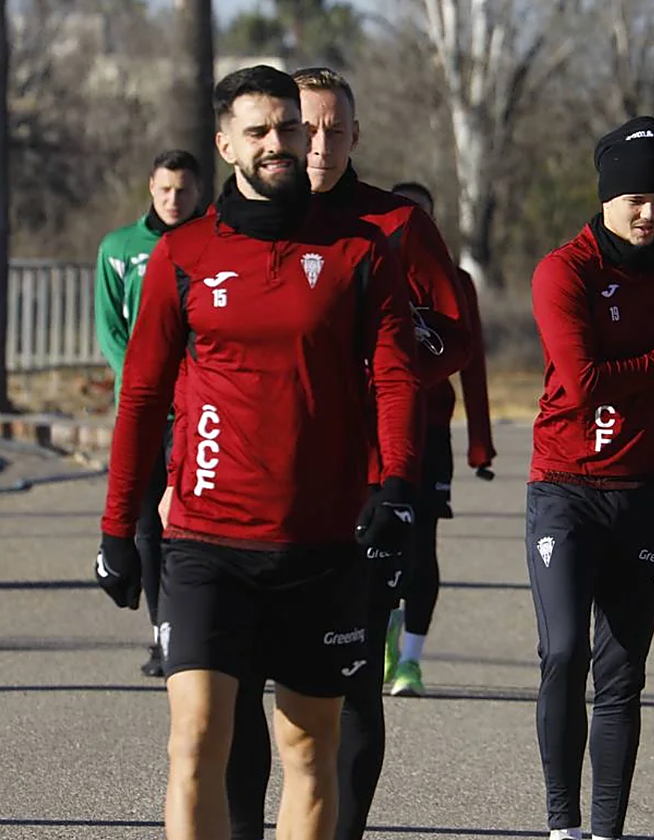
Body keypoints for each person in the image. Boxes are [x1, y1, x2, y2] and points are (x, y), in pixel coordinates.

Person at [94, 65, 423, 840]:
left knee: (309, 750)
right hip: (206, 542)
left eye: (289, 127)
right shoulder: (185, 253)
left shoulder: (359, 250)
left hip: (321, 544)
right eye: (259, 131)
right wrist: (117, 527)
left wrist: (399, 484)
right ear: (226, 145)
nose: (278, 143)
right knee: (196, 741)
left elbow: (396, 376)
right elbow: (142, 397)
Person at [217, 67, 472, 840]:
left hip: (366, 486)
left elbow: (454, 335)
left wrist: (384, 363)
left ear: (356, 135)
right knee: (238, 685)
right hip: (256, 485)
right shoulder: (241, 221)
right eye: (308, 128)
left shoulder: (396, 224)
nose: (320, 145)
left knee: (350, 685)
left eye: (335, 130)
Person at [526, 115, 654, 840]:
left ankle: (606, 831)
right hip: (568, 487)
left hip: (645, 492)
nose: (649, 214)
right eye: (635, 201)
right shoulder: (564, 270)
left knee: (620, 675)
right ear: (605, 199)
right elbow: (584, 383)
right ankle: (563, 826)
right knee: (564, 654)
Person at [385, 180, 499, 698]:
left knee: (422, 547)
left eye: (424, 218)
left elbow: (471, 365)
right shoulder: (368, 268)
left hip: (429, 431)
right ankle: (381, 627)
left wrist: (480, 442)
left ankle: (411, 658)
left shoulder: (455, 282)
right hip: (376, 432)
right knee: (377, 543)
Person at [94, 148, 203, 677]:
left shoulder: (211, 245)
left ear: (198, 192)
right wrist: (144, 377)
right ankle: (161, 634)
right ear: (151, 190)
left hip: (194, 409)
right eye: (165, 190)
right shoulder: (119, 248)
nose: (173, 199)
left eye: (183, 190)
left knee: (185, 522)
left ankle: (199, 632)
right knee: (146, 527)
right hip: (141, 406)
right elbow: (111, 328)